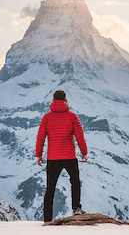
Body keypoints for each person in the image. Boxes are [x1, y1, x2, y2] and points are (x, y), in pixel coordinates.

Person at [36, 90, 88, 222]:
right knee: (75, 182)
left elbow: (41, 138)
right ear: (65, 100)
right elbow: (79, 136)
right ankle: (76, 208)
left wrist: (39, 155)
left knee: (50, 188)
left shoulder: (46, 118)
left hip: (53, 158)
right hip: (69, 156)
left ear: (53, 100)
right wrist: (84, 152)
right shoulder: (72, 116)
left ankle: (47, 218)